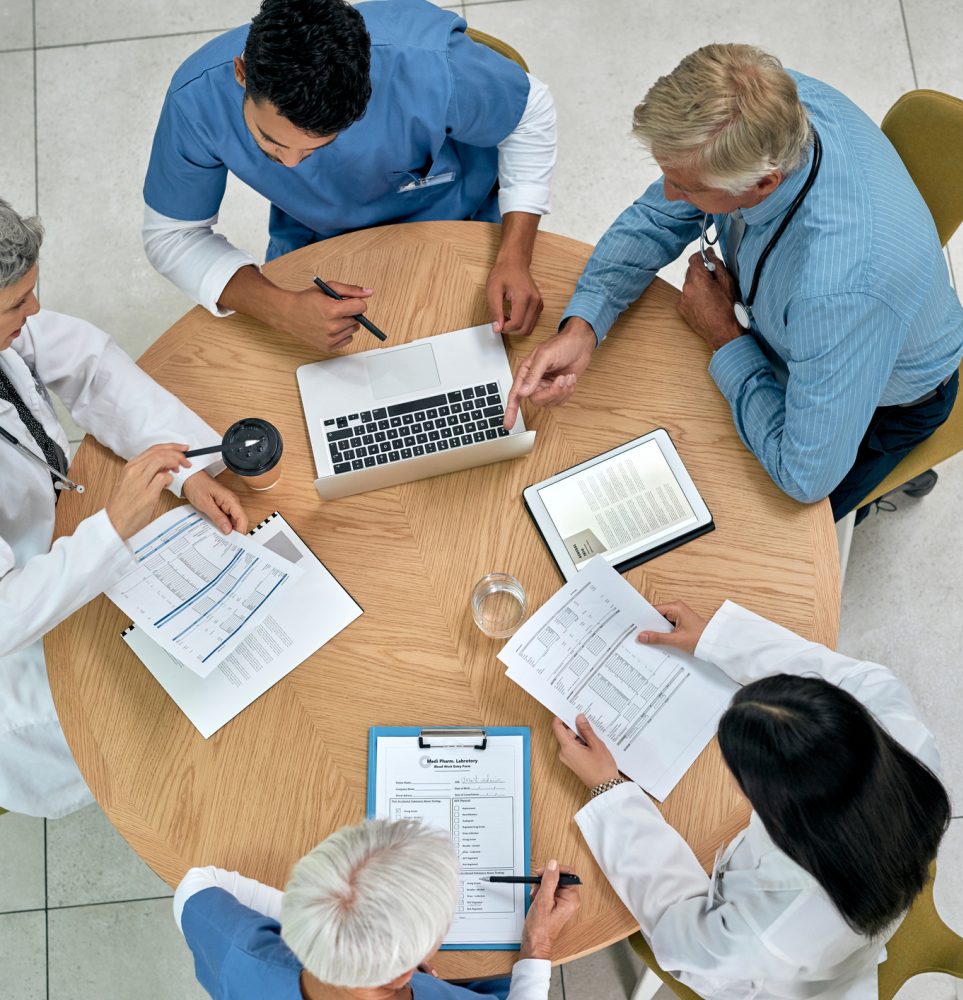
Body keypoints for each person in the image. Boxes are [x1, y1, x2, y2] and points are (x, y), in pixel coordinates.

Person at [503, 44, 963, 522]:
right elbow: (656, 219)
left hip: (883, 403)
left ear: (764, 183)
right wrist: (583, 326)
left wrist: (724, 333)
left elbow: (804, 476)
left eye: (687, 187)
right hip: (794, 335)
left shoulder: (837, 290)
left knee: (737, 530)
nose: (668, 193)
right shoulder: (765, 102)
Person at [552, 597, 950, 1000]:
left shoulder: (768, 931)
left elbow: (682, 940)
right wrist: (717, 640)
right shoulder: (904, 735)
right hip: (874, 888)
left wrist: (609, 791)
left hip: (783, 978)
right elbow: (840, 679)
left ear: (773, 806)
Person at [0, 199, 249, 818]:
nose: (31, 314)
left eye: (31, 294)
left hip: (53, 548)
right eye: (13, 305)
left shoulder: (14, 329)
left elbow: (89, 366)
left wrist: (185, 469)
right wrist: (112, 529)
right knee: (127, 727)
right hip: (16, 654)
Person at [143, 0, 556, 355]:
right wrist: (281, 308)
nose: (289, 166)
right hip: (315, 240)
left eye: (318, 147)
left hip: (461, 221)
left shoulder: (430, 64)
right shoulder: (196, 99)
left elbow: (530, 111)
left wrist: (514, 258)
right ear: (242, 72)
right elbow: (172, 236)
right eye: (270, 141)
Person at [174, 818, 580, 999]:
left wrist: (330, 926)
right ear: (405, 970)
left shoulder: (238, 956)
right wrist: (538, 946)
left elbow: (196, 885)